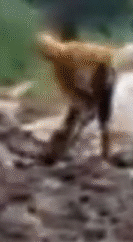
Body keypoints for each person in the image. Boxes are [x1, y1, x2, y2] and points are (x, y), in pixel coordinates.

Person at [37, 22, 117, 163]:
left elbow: (105, 59)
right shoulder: (59, 66)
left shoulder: (72, 52)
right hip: (90, 81)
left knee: (102, 117)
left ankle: (105, 155)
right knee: (75, 115)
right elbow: (71, 89)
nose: (47, 56)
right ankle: (64, 149)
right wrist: (83, 103)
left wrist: (91, 100)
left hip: (104, 73)